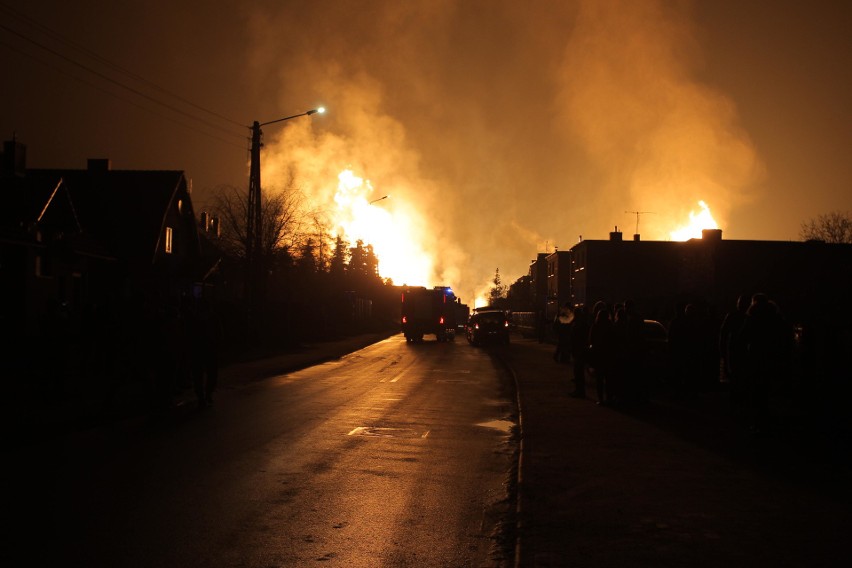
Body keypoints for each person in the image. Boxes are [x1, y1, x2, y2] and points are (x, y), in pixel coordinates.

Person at [189, 298, 223, 408]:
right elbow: (219, 334)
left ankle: (202, 396)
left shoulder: (194, 319)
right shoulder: (213, 318)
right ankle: (207, 394)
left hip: (198, 350)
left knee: (198, 375)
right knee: (211, 373)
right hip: (209, 350)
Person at [588, 301, 613, 405]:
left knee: (599, 379)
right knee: (608, 379)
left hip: (599, 355)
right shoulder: (610, 326)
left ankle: (601, 399)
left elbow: (591, 340)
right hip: (608, 355)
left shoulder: (596, 326)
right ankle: (609, 398)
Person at [568, 305, 589, 398]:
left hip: (578, 350)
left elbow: (574, 338)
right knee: (579, 371)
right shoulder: (583, 324)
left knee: (578, 371)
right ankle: (580, 390)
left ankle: (579, 391)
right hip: (580, 350)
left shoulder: (577, 325)